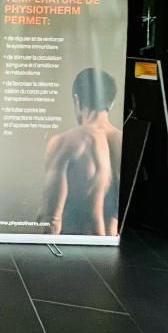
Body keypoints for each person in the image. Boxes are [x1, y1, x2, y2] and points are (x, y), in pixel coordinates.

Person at [39, 67, 123, 236]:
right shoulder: (126, 142)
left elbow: (51, 220)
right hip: (113, 246)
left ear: (76, 100)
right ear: (111, 103)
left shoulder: (66, 142)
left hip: (77, 246)